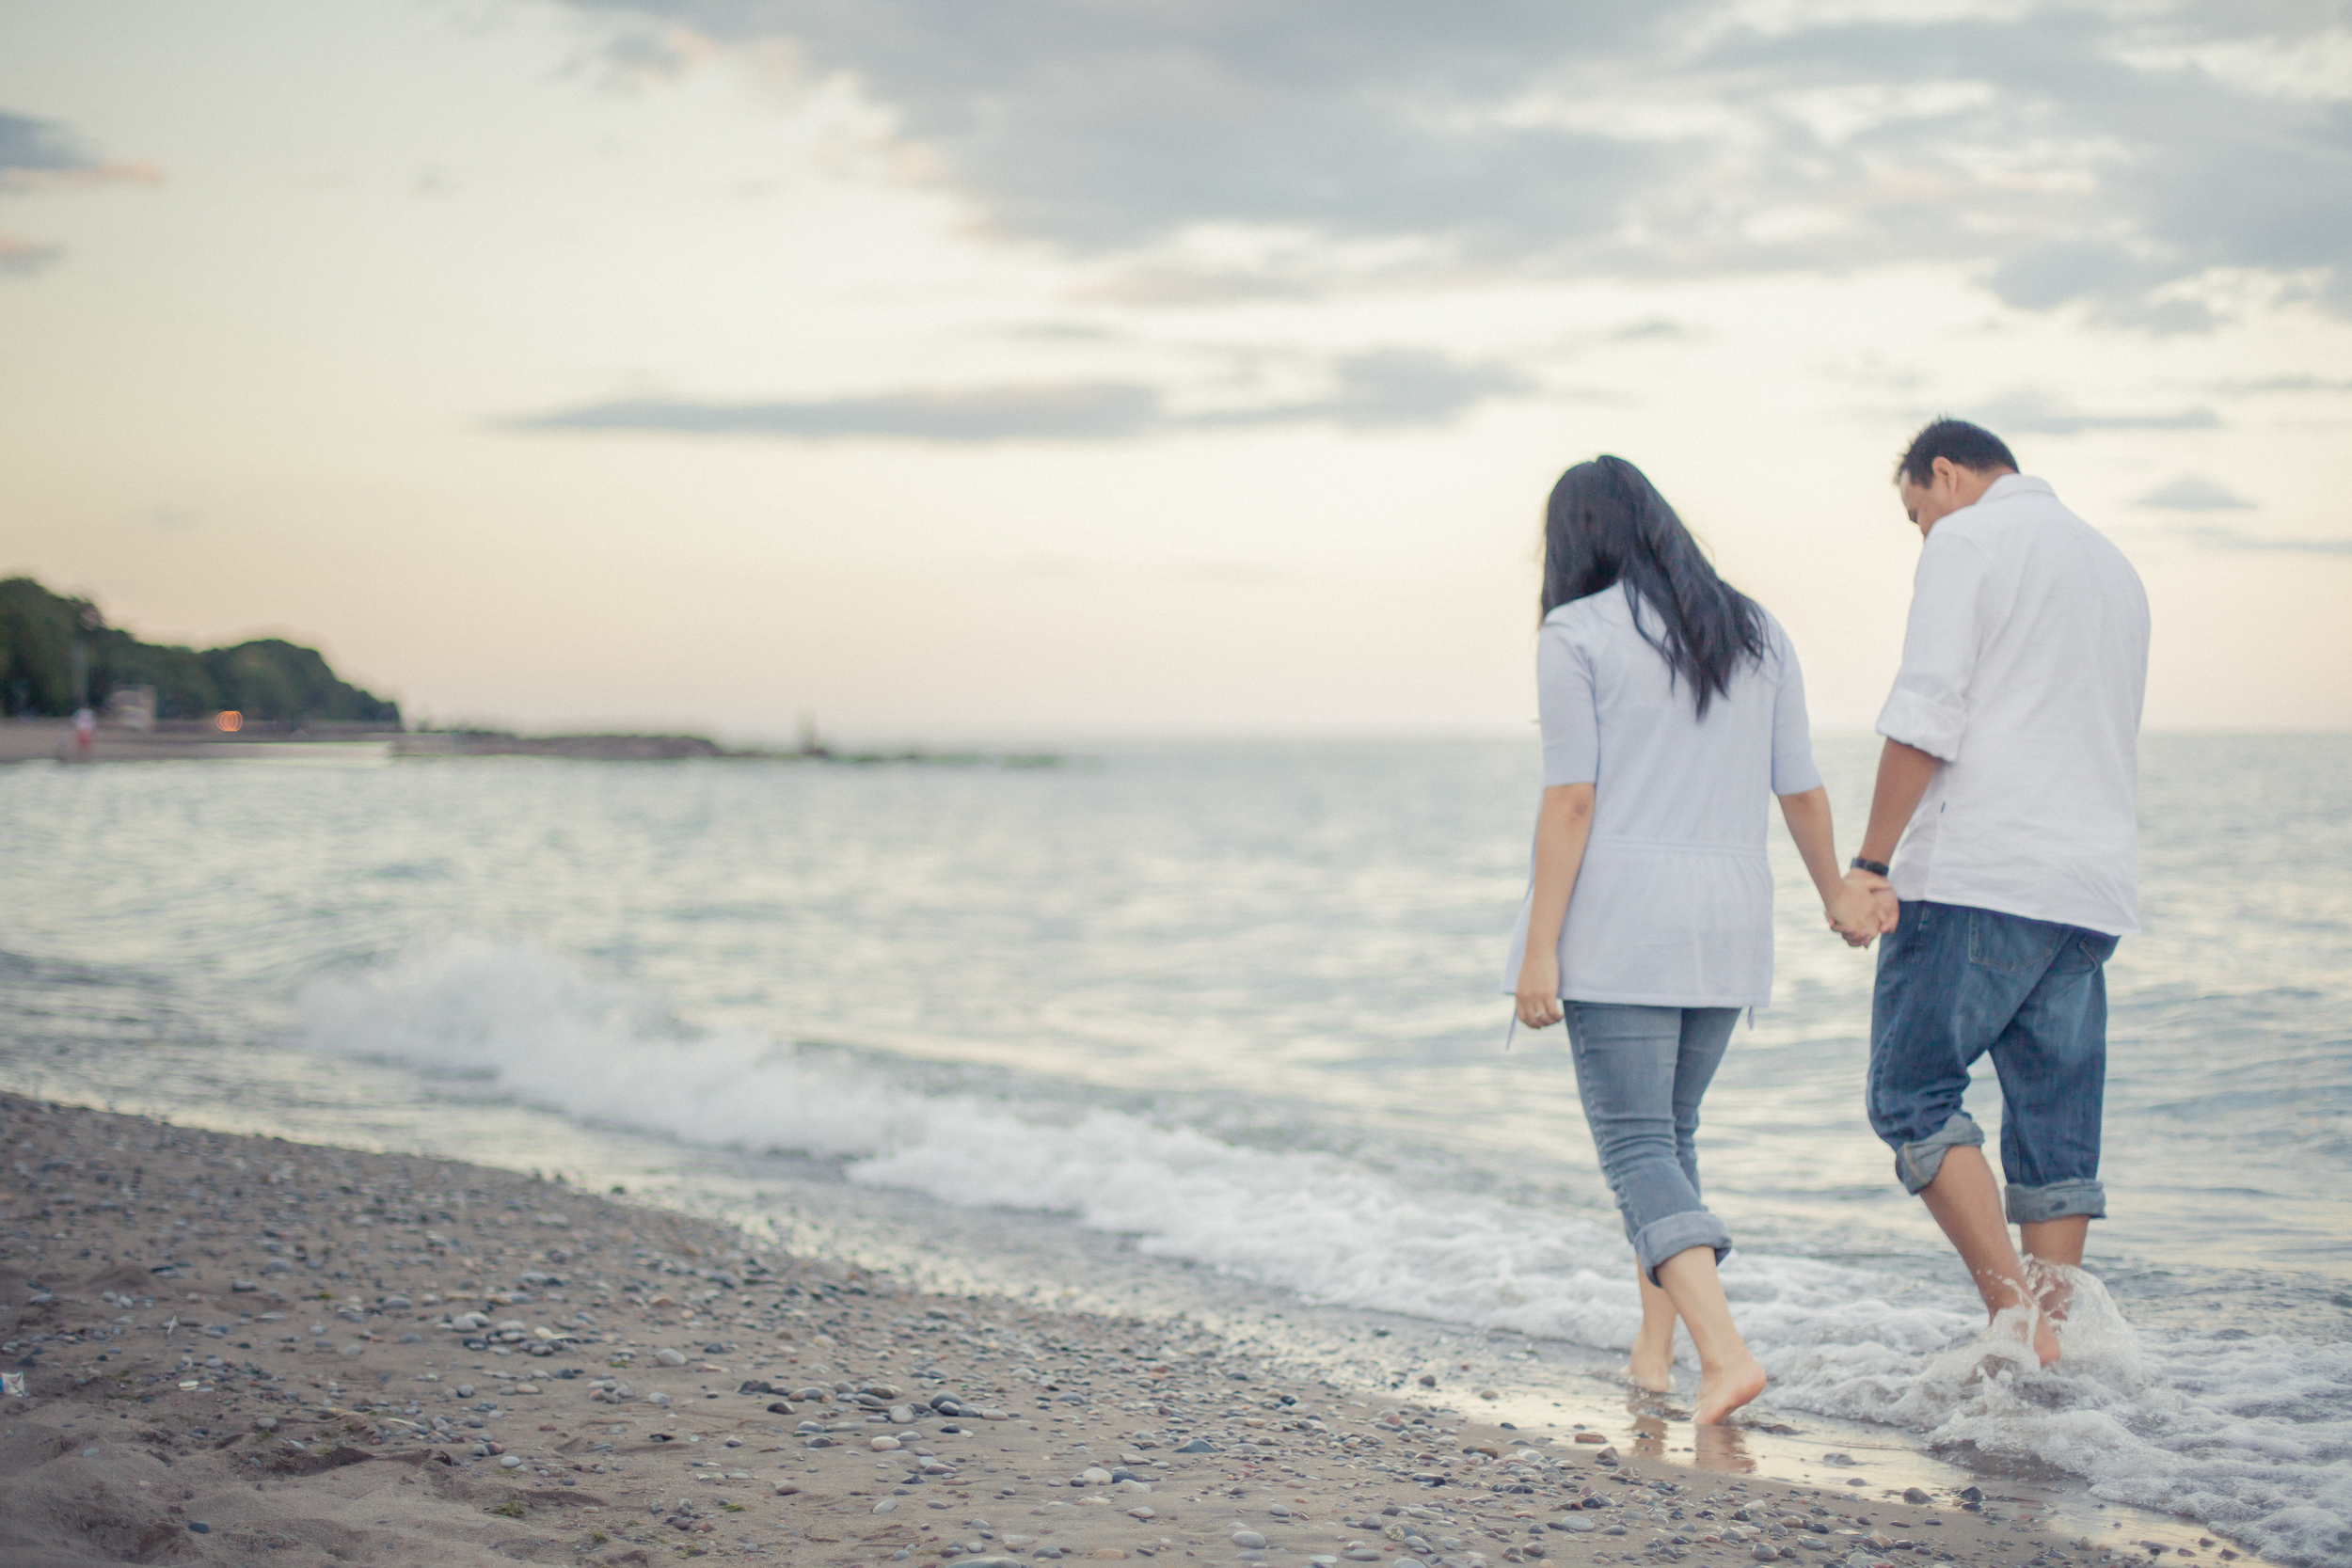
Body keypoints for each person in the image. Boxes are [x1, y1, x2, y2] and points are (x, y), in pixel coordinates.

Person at [1504, 455, 1875, 1424]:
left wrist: (1538, 948)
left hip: (1624, 916)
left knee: (1635, 1145)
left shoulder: (1573, 632)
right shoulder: (1752, 627)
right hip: (1727, 918)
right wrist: (1833, 890)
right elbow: (1798, 784)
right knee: (1667, 1137)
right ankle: (1655, 1349)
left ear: (1572, 538)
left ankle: (1723, 1353)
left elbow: (1572, 798)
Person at [1836, 419, 2149, 1367]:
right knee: (2054, 1130)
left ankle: (2019, 1326)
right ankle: (2055, 1355)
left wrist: (1873, 862)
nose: (1921, 533)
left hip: (1979, 867)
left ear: (1944, 472)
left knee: (1910, 1091)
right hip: (2087, 886)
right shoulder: (2112, 566)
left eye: (1915, 512)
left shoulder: (1970, 539)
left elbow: (1927, 709)